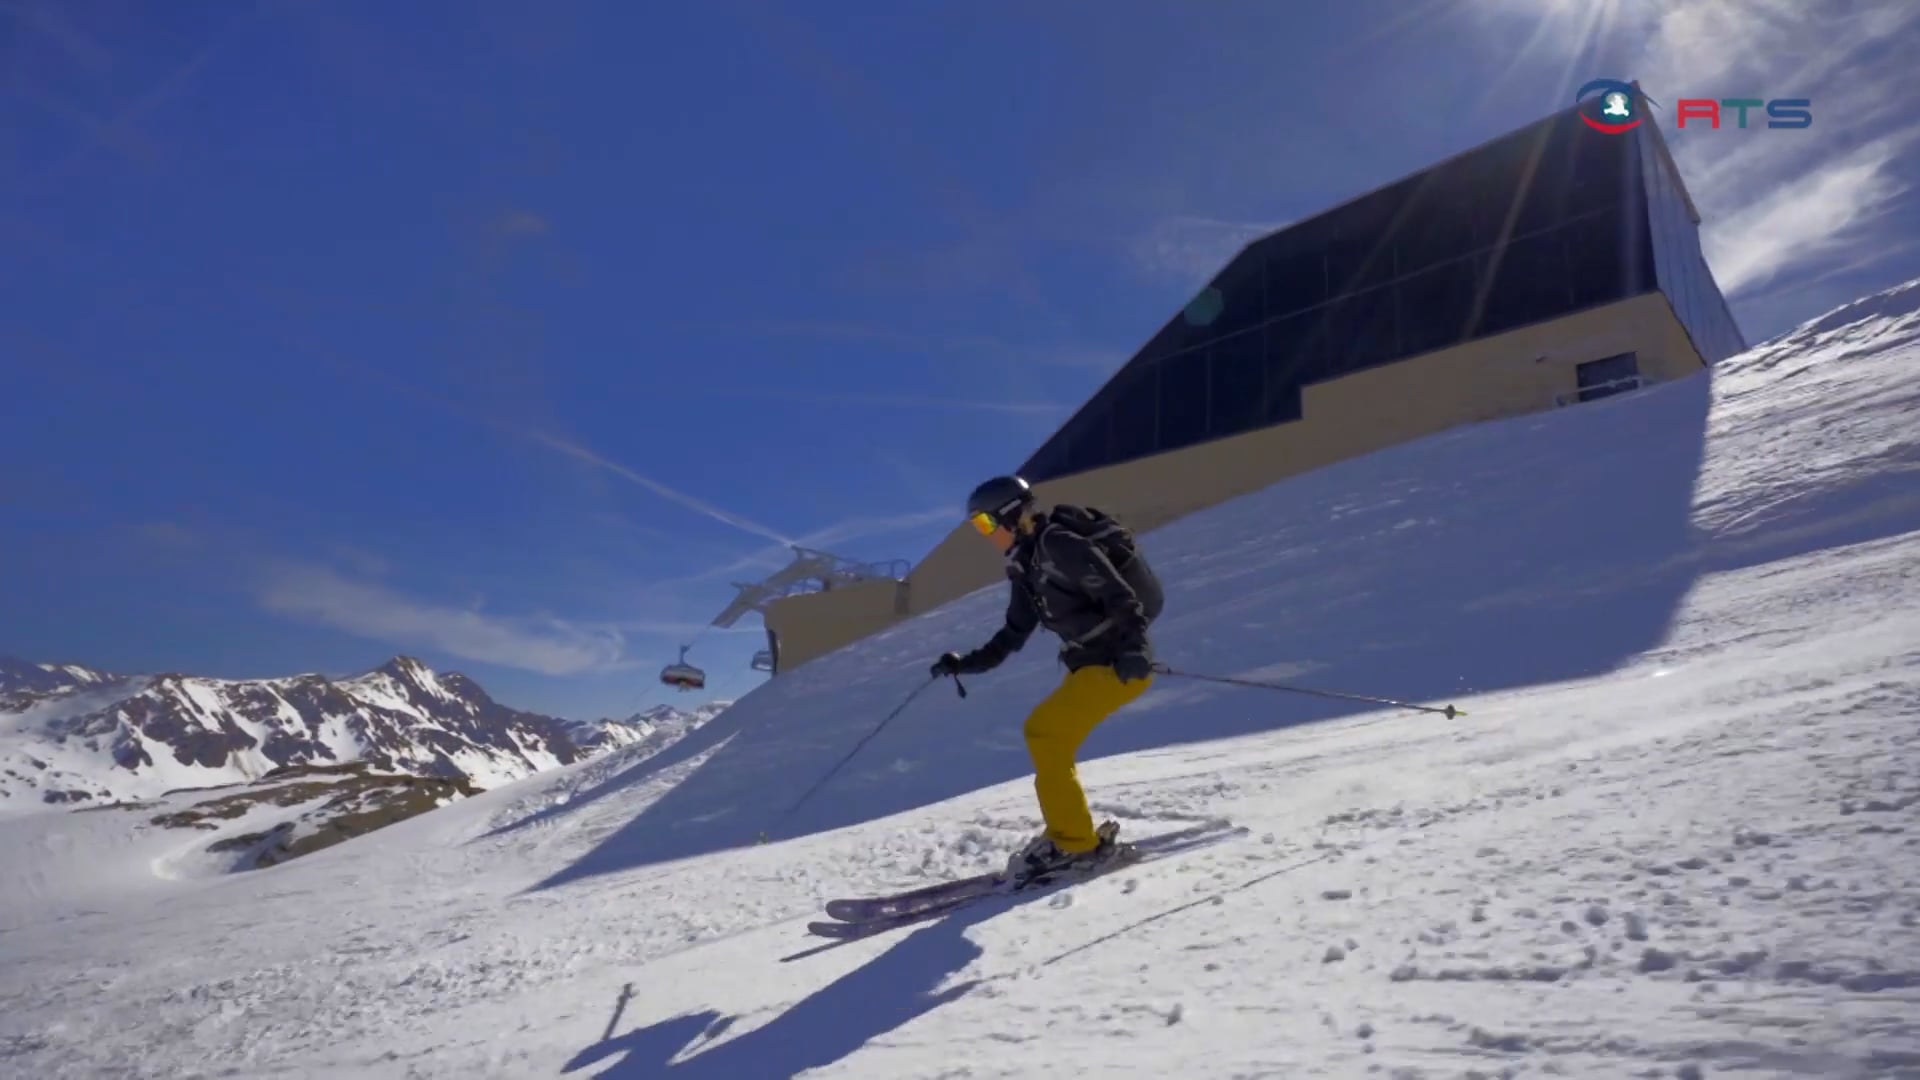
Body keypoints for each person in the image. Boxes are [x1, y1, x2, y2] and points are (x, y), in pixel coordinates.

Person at [930, 474, 1164, 885]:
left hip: (1118, 664)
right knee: (1047, 737)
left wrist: (1134, 650)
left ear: (1008, 515)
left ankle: (1076, 845)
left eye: (985, 524)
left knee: (1045, 733)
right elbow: (1011, 636)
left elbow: (1120, 596)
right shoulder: (1027, 566)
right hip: (1090, 668)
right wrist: (963, 664)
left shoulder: (1060, 544)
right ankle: (1068, 833)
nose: (984, 535)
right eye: (977, 528)